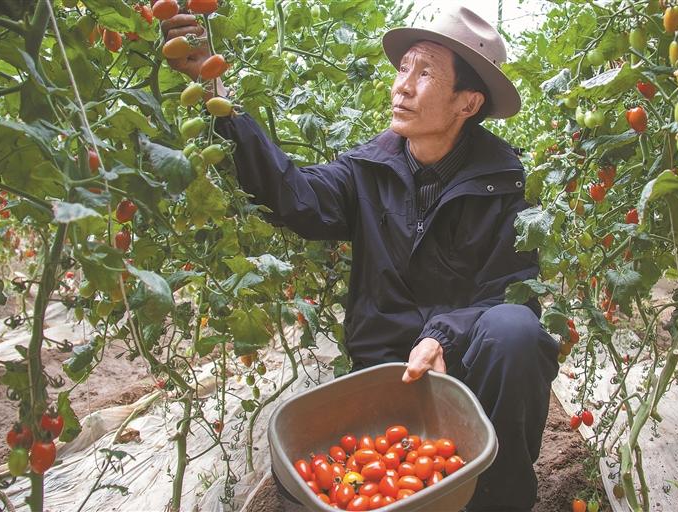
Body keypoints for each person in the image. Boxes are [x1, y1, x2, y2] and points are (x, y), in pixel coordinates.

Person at [163, 6, 559, 511]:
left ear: (467, 102)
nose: (402, 86)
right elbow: (294, 198)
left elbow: (511, 291)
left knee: (517, 331)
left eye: (425, 73)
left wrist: (441, 337)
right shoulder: (367, 169)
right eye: (403, 68)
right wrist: (218, 96)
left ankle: (496, 500)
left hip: (467, 370)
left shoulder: (506, 184)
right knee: (305, 481)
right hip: (387, 374)